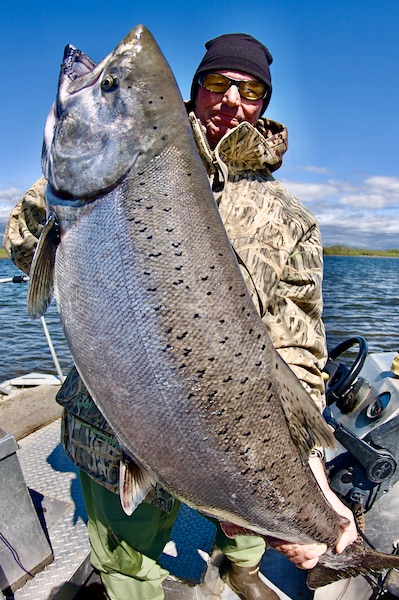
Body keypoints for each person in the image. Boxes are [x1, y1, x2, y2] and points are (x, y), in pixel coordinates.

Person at [3, 33, 357, 600]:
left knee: (246, 535)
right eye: (217, 83)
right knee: (126, 563)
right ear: (194, 90)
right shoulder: (132, 153)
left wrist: (306, 466)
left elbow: (299, 348)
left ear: (265, 103)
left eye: (250, 89)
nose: (232, 99)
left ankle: (243, 568)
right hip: (117, 421)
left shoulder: (291, 220)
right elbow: (24, 243)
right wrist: (69, 194)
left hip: (239, 429)